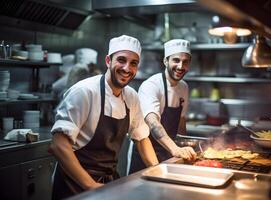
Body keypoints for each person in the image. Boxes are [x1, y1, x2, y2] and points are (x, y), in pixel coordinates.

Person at [49, 35, 159, 200]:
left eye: (133, 63)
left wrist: (158, 171)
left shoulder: (131, 97)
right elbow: (58, 145)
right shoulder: (85, 92)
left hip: (108, 182)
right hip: (74, 184)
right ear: (108, 61)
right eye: (121, 60)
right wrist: (90, 185)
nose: (127, 68)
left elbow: (142, 138)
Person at [130, 39, 196, 173]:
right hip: (146, 155)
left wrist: (183, 147)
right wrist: (175, 149)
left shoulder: (184, 87)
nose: (180, 66)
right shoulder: (152, 85)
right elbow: (153, 123)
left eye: (185, 62)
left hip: (169, 153)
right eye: (176, 60)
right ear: (165, 61)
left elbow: (181, 122)